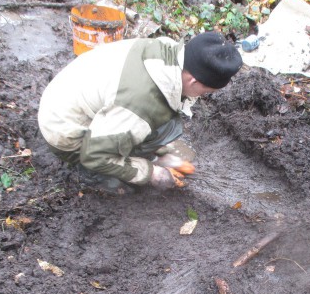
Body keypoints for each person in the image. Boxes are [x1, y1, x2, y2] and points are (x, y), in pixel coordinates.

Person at [37, 31, 242, 191]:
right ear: (193, 80)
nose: (203, 96)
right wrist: (151, 173)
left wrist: (162, 155)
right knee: (116, 176)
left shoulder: (168, 54)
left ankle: (128, 152)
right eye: (206, 92)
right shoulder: (139, 104)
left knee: (158, 121)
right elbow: (94, 155)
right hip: (63, 130)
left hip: (72, 95)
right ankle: (93, 176)